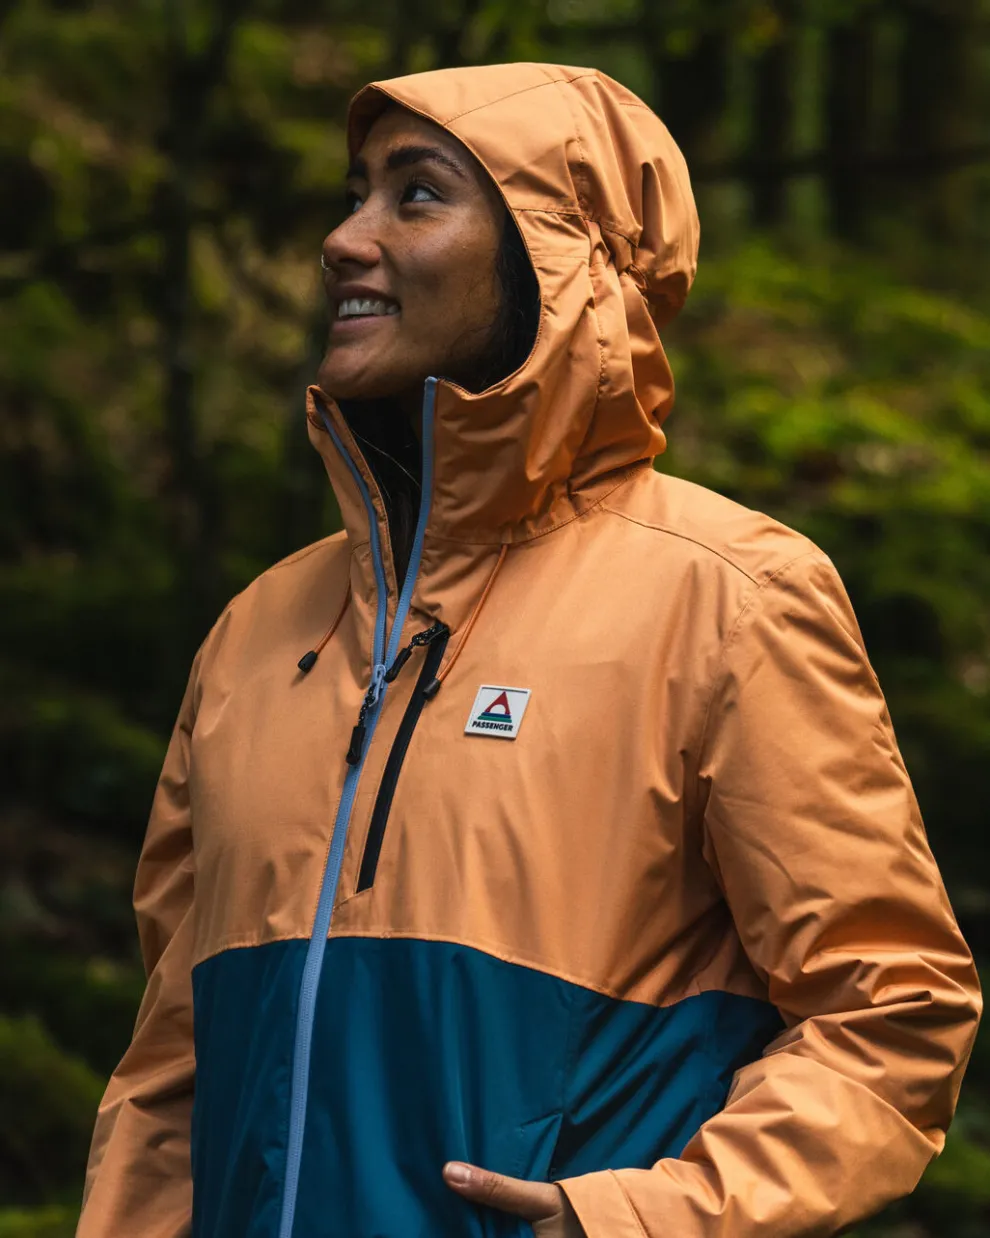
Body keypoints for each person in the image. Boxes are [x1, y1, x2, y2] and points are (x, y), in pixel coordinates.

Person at [77, 63, 981, 1238]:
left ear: (565, 262)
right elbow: (169, 1074)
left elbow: (893, 1014)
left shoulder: (729, 599)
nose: (344, 239)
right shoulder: (258, 630)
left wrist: (639, 1217)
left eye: (415, 195)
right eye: (354, 194)